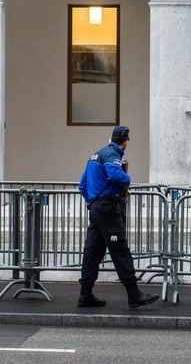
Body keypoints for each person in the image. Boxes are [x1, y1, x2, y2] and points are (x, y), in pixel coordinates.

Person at [77, 125, 159, 309]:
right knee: (120, 250)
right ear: (125, 142)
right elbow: (117, 176)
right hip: (108, 210)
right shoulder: (112, 155)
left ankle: (85, 294)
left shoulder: (95, 155)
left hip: (96, 210)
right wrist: (127, 179)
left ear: (111, 138)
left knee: (92, 252)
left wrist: (91, 202)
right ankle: (134, 294)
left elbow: (82, 185)